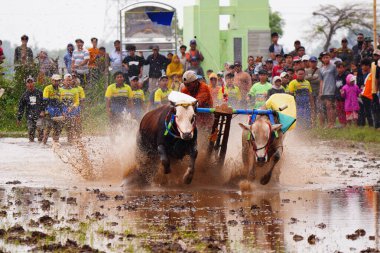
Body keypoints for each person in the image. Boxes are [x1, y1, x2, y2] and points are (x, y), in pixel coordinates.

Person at [17, 76, 44, 142]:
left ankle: (41, 144)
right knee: (31, 131)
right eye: (28, 83)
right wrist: (19, 118)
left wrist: (43, 111)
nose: (30, 84)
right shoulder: (24, 95)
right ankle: (31, 146)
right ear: (26, 84)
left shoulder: (39, 93)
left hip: (39, 115)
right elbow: (21, 107)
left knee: (40, 128)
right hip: (30, 116)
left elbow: (44, 102)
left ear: (34, 83)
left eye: (31, 82)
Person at [42, 74, 63, 144]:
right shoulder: (47, 88)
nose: (57, 82)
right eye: (55, 81)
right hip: (49, 110)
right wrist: (44, 110)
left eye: (58, 81)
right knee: (48, 127)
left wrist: (62, 112)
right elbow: (45, 101)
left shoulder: (60, 90)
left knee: (58, 127)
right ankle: (44, 142)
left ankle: (56, 142)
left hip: (57, 110)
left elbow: (60, 102)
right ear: (52, 81)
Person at [60, 74, 80, 143]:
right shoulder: (60, 90)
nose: (68, 82)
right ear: (63, 81)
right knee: (58, 128)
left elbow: (77, 102)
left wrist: (72, 107)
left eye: (70, 80)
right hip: (62, 110)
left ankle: (71, 142)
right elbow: (58, 101)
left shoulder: (75, 90)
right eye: (67, 80)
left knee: (71, 127)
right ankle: (55, 143)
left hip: (71, 110)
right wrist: (62, 111)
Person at [319, 51, 337, 128]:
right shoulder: (321, 69)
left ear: (329, 57)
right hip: (325, 90)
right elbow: (321, 80)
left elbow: (336, 77)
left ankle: (332, 123)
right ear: (322, 59)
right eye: (324, 57)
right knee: (327, 107)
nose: (326, 59)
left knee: (330, 106)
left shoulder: (333, 67)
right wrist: (320, 91)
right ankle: (329, 123)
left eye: (327, 57)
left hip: (332, 89)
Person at [357, 58, 374, 127]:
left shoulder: (372, 74)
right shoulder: (367, 75)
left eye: (363, 65)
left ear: (367, 66)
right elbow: (366, 86)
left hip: (369, 96)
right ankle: (366, 124)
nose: (362, 67)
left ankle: (371, 125)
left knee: (369, 112)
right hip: (364, 96)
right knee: (365, 112)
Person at [305, 56, 321, 124]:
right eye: (312, 62)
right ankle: (312, 121)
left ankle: (319, 122)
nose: (313, 63)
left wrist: (310, 79)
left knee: (318, 107)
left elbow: (319, 80)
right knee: (311, 107)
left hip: (317, 91)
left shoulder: (319, 70)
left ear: (317, 62)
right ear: (309, 62)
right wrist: (313, 78)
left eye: (314, 62)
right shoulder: (306, 70)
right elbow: (305, 79)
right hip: (309, 92)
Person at [335, 62, 348, 127]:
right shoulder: (337, 76)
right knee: (339, 110)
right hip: (338, 96)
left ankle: (346, 122)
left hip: (344, 97)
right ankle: (341, 122)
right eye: (338, 68)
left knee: (344, 109)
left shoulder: (346, 76)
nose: (340, 69)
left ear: (344, 68)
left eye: (341, 67)